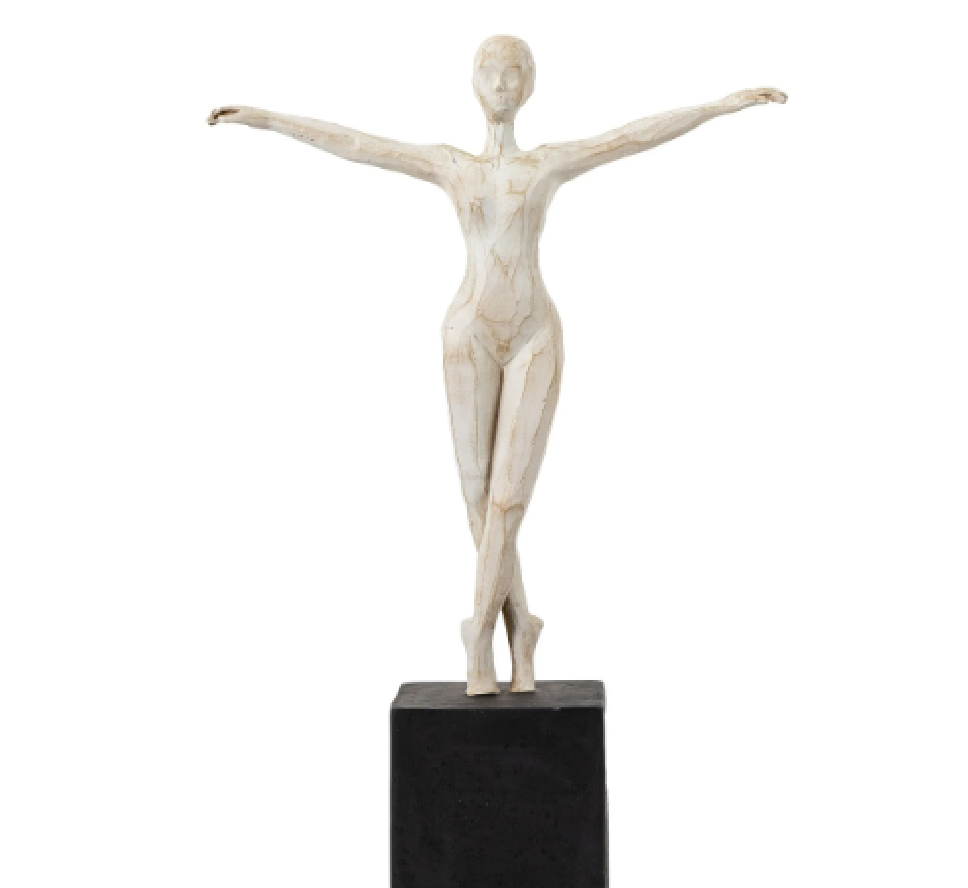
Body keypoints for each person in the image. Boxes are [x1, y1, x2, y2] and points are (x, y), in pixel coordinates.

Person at [209, 35, 786, 695]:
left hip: (535, 333)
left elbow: (631, 137)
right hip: (469, 332)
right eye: (491, 72)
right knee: (477, 497)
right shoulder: (450, 164)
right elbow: (360, 145)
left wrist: (722, 105)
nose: (502, 84)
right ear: (474, 83)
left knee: (509, 500)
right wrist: (266, 118)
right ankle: (523, 628)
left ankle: (478, 637)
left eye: (514, 74)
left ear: (528, 86)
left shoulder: (547, 164)